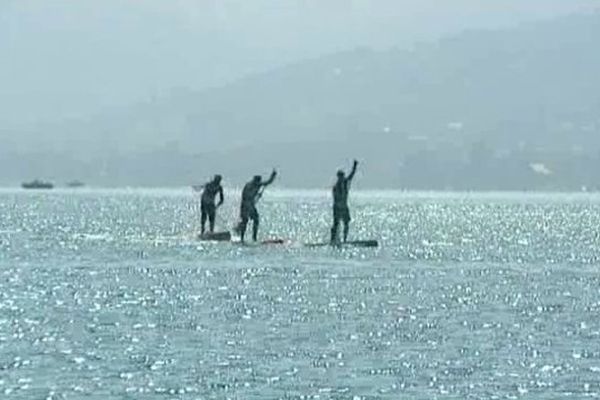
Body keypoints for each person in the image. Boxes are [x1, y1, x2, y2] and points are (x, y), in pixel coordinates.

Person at [237, 169, 277, 242]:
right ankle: (241, 238)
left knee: (256, 219)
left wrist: (273, 176)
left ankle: (254, 237)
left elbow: (268, 182)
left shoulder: (258, 184)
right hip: (245, 206)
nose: (258, 183)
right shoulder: (248, 185)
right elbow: (245, 196)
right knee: (245, 221)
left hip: (251, 206)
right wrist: (255, 196)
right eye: (257, 182)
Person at [331, 160, 359, 244]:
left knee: (346, 223)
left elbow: (351, 176)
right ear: (338, 177)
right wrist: (339, 205)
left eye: (342, 176)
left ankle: (344, 240)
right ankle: (333, 240)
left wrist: (354, 167)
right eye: (340, 177)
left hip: (344, 207)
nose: (342, 178)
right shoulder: (335, 187)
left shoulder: (345, 182)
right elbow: (336, 198)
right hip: (337, 208)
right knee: (336, 224)